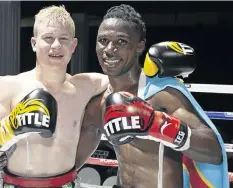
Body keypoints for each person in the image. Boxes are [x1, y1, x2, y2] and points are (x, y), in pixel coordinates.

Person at [75, 4, 229, 188]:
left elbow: (214, 151)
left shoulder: (161, 96)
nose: (109, 49)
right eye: (103, 40)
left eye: (121, 42)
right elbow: (71, 164)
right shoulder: (99, 105)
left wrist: (158, 124)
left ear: (140, 46)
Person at [0, 5, 109, 187]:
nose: (56, 45)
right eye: (48, 38)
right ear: (34, 44)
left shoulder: (84, 86)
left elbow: (128, 82)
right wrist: (10, 129)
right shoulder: (10, 87)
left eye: (63, 39)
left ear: (73, 45)